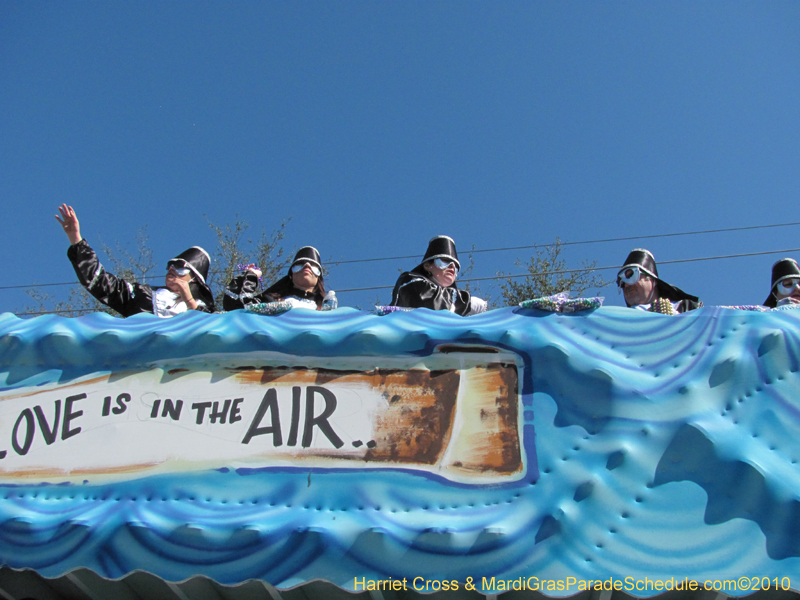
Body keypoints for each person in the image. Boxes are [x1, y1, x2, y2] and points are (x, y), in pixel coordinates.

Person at [56, 204, 215, 317]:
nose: (172, 269)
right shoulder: (141, 295)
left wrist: (188, 299)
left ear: (194, 278)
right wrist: (75, 239)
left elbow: (208, 333)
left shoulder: (207, 312)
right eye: (170, 265)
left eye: (180, 267)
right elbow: (100, 282)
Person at [390, 235, 487, 315]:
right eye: (445, 261)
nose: (452, 266)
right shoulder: (410, 282)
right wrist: (466, 302)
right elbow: (426, 300)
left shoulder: (455, 309)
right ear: (427, 265)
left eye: (456, 266)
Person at [224, 246, 328, 311]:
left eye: (313, 266)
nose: (307, 266)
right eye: (300, 264)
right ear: (291, 273)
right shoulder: (270, 301)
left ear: (319, 277)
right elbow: (237, 309)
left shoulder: (325, 309)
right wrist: (250, 276)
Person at [616, 248, 701, 314]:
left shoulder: (687, 309)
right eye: (621, 283)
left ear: (651, 279)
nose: (626, 285)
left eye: (630, 276)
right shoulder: (619, 321)